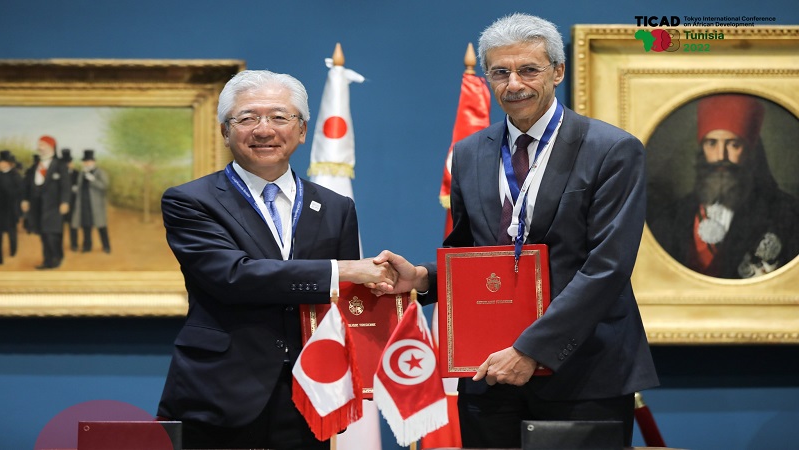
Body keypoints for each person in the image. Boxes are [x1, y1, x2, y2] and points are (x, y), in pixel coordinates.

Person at [372, 13, 658, 448]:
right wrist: (424, 278)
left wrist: (532, 350)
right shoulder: (469, 153)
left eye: (528, 70)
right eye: (500, 72)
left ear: (558, 72)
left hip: (584, 371)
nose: (514, 84)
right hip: (489, 372)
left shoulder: (612, 149)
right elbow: (471, 255)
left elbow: (607, 266)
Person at [156, 69, 398, 450]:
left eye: (279, 117)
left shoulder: (336, 207)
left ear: (302, 130)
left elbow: (344, 302)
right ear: (225, 132)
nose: (264, 130)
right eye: (247, 118)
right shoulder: (190, 201)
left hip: (311, 393)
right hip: (219, 396)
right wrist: (341, 270)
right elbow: (234, 277)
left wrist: (396, 286)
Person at [648, 94, 799, 278]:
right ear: (702, 150)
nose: (721, 156)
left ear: (751, 151)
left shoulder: (787, 213)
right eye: (711, 143)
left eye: (734, 145)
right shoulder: (672, 216)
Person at [20, 135, 71, 269]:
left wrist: (65, 202)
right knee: (43, 233)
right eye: (39, 145)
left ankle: (56, 258)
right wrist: (25, 199)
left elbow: (66, 185)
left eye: (42, 145)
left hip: (54, 205)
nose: (39, 148)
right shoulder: (35, 165)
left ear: (51, 147)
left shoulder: (60, 165)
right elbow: (27, 185)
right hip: (37, 206)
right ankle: (48, 260)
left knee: (52, 233)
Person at [71, 149, 111, 253]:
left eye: (89, 161)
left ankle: (106, 246)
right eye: (85, 161)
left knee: (101, 226)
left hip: (96, 205)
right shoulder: (82, 173)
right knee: (86, 226)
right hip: (83, 204)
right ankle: (87, 246)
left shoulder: (100, 172)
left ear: (94, 162)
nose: (87, 163)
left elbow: (105, 186)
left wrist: (93, 180)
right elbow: (80, 186)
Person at [0, 149, 23, 264]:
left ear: (7, 163)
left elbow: (20, 191)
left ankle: (13, 252)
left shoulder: (15, 175)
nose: (0, 164)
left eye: (1, 162)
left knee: (11, 232)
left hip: (10, 209)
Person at [60, 148, 80, 252]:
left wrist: (75, 188)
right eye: (65, 163)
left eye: (69, 162)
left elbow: (80, 186)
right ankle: (58, 245)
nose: (68, 164)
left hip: (73, 203)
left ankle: (74, 244)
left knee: (73, 225)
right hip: (61, 203)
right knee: (59, 226)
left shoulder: (77, 173)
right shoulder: (58, 174)